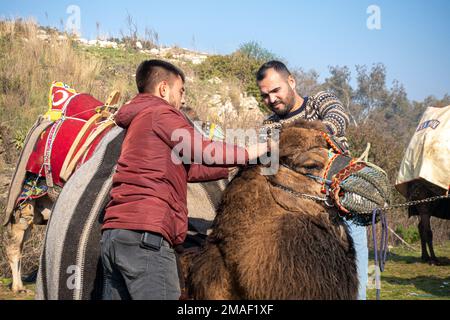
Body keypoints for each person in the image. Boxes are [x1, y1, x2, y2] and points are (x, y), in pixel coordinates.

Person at [101, 59, 268, 300]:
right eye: (181, 91)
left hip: (114, 237)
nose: (183, 99)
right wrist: (253, 151)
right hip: (147, 239)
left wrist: (230, 168)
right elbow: (201, 149)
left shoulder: (139, 121)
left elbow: (186, 169)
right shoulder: (161, 112)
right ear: (163, 89)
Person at [256, 60, 369, 300]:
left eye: (276, 90)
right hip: (301, 215)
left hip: (344, 202)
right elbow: (270, 169)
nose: (272, 99)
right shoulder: (268, 126)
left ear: (292, 81)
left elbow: (338, 119)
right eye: (265, 95)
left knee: (356, 287)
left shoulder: (320, 100)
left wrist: (296, 140)